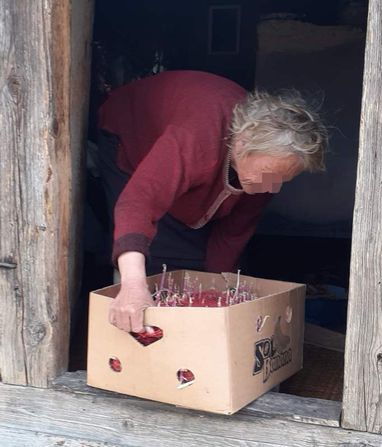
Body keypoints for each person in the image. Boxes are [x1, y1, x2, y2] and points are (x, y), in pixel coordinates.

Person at [94, 70, 327, 333]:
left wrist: (217, 296)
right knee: (158, 264)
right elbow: (139, 201)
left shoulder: (266, 174)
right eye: (270, 174)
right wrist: (134, 285)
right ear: (241, 144)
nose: (272, 185)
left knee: (196, 270)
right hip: (131, 135)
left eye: (284, 178)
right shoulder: (198, 136)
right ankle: (133, 333)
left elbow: (232, 234)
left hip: (193, 157)